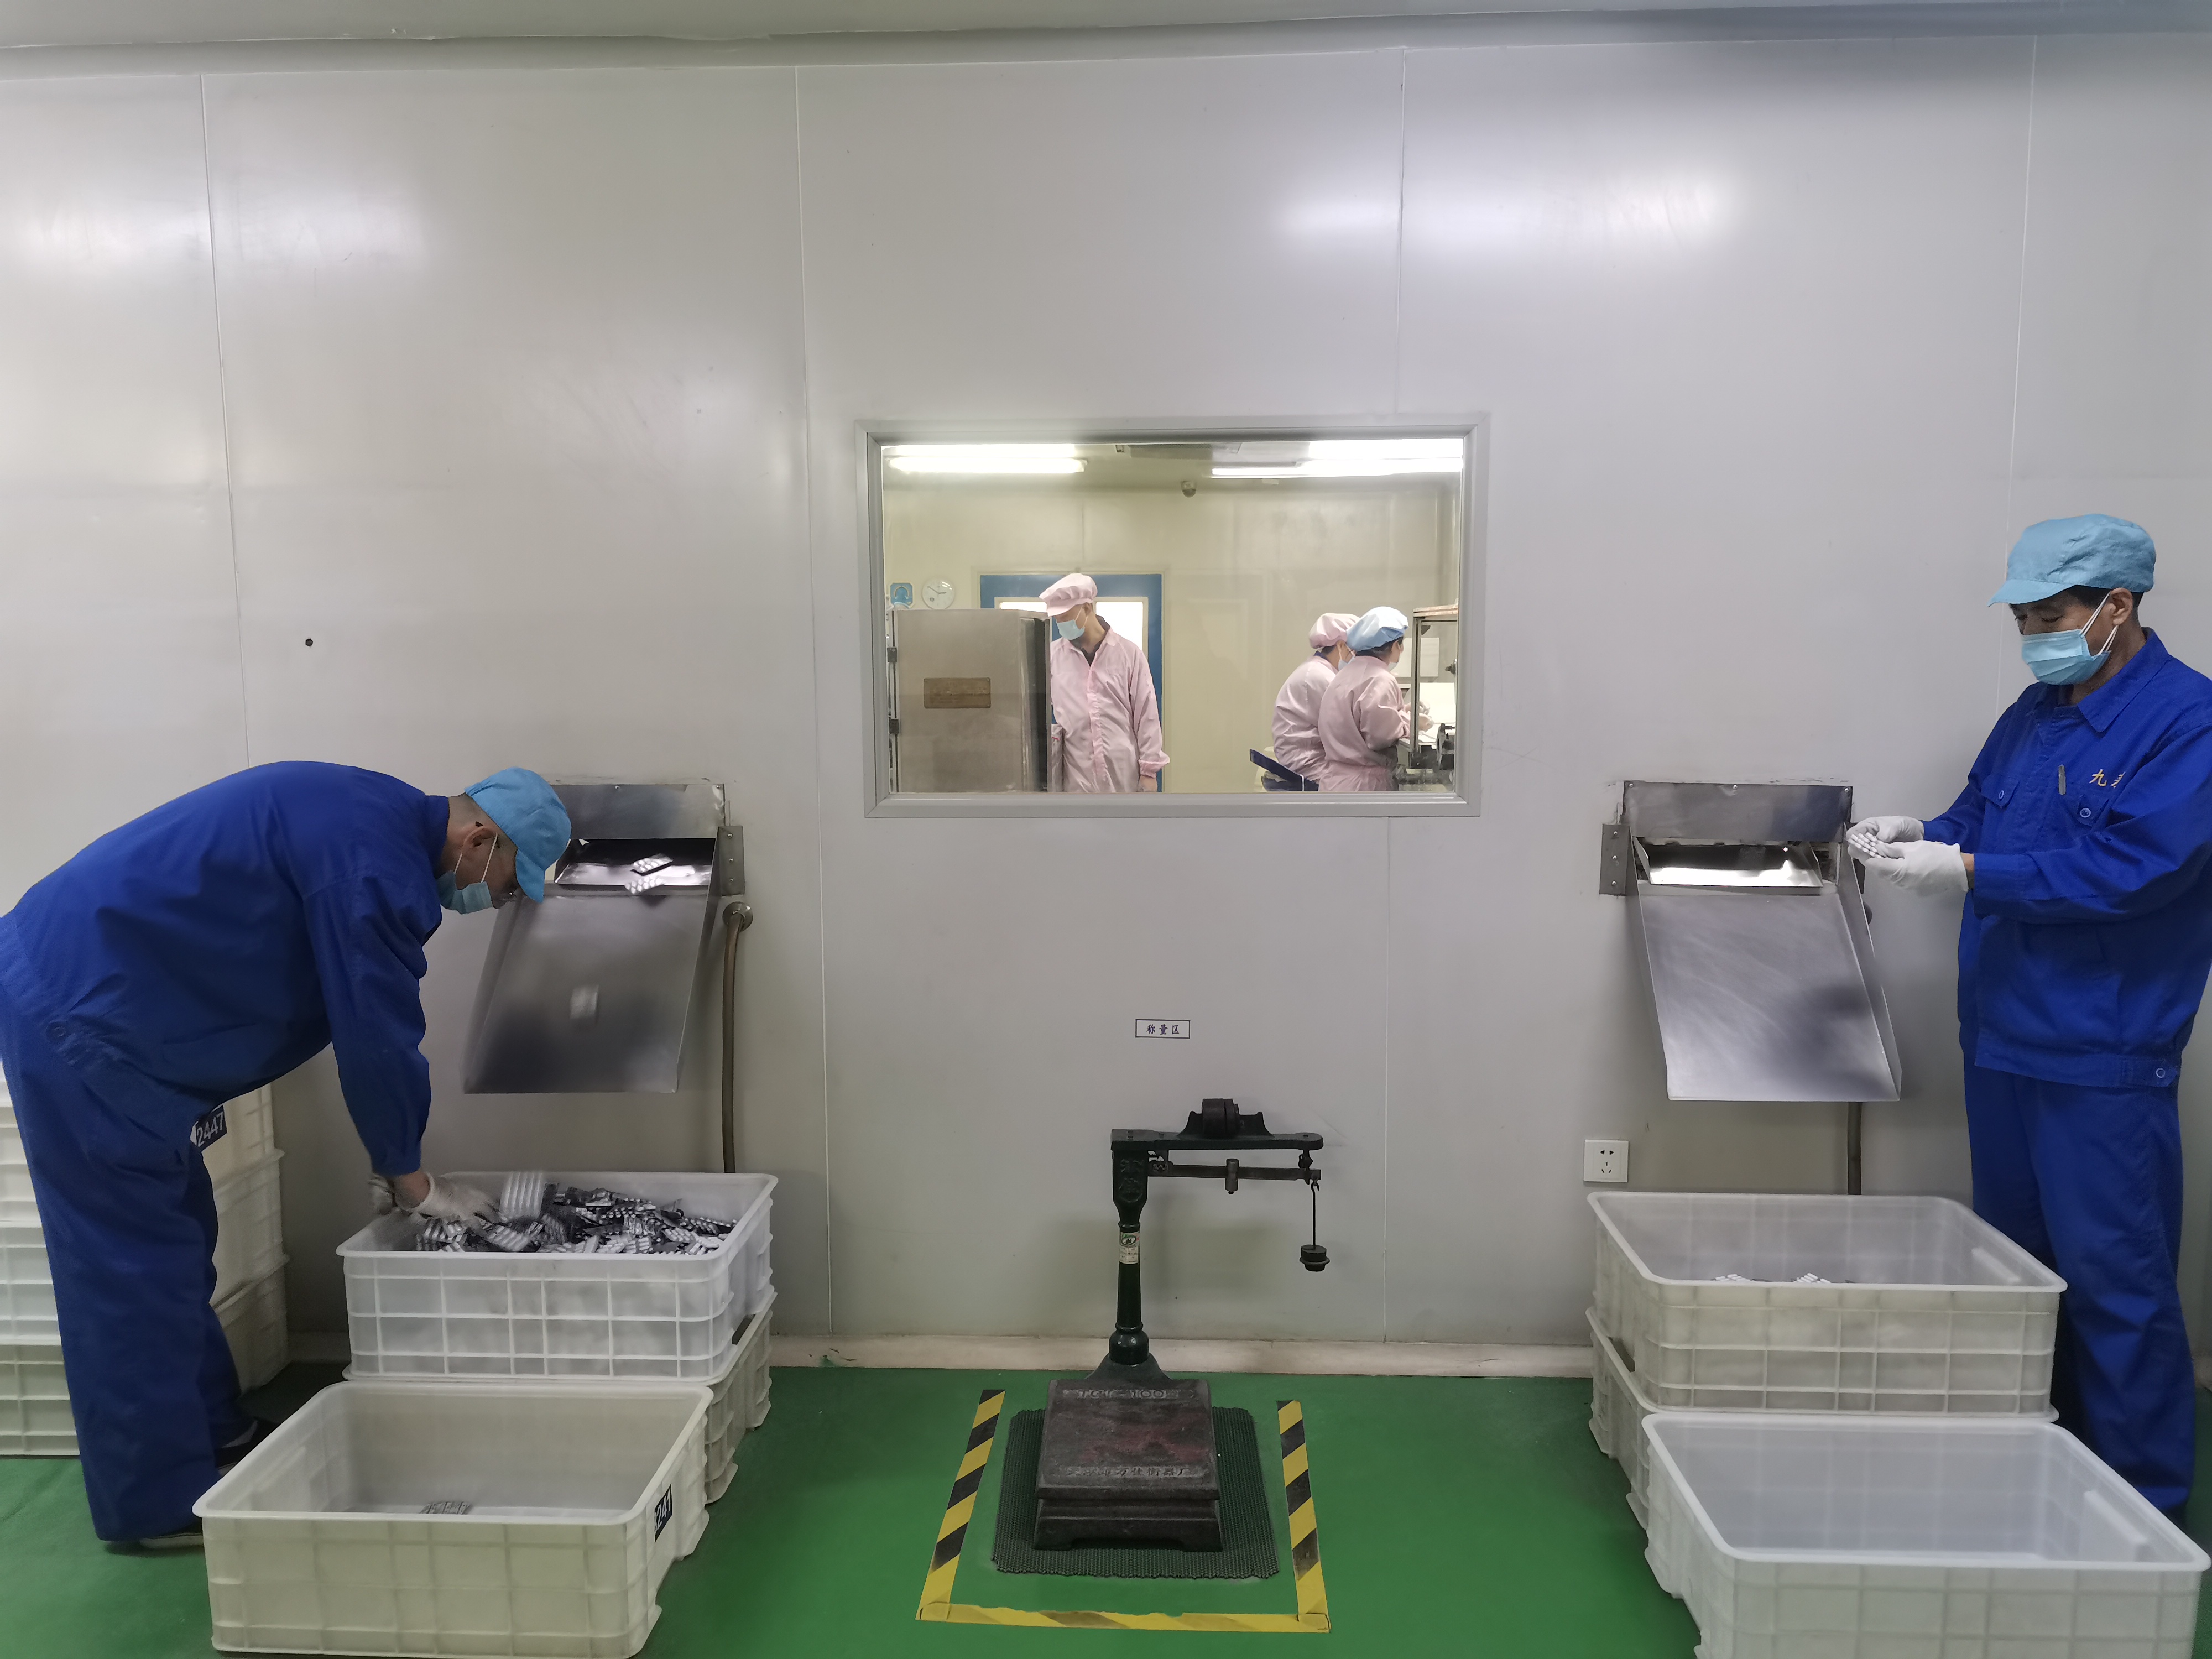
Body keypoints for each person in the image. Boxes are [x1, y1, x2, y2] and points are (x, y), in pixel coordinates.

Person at [0, 761, 572, 1549]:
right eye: (506, 885)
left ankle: (214, 1433)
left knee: (176, 1240)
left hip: (110, 1004)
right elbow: (377, 1037)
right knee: (129, 1268)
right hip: (84, 1014)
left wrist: (397, 1159)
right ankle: (157, 1503)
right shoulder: (373, 868)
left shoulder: (371, 817)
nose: (496, 901)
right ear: (479, 840)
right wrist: (412, 1179)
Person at [1851, 514, 2212, 1520]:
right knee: (2021, 1275)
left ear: (2117, 608)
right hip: (2004, 1038)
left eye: (2049, 618)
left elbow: (2135, 869)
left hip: (2102, 1051)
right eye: (2021, 620)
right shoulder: (2037, 709)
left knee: (2117, 1285)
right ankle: (2037, 1474)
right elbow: (1982, 812)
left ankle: (2140, 1510)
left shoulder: (2189, 722)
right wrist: (1926, 832)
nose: (2033, 637)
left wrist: (1969, 872)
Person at [1042, 572, 1167, 793]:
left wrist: (1149, 771)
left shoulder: (1128, 654)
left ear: (1087, 608)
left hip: (1123, 772)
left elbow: (1146, 713)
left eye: (1066, 617)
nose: (1061, 624)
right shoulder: (1052, 657)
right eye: (1057, 619)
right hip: (1076, 775)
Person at [1317, 607, 1413, 791]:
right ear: (1395, 645)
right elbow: (1380, 737)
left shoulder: (1343, 675)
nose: (1401, 650)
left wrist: (1400, 712)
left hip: (1334, 783)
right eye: (1401, 644)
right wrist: (1411, 723)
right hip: (1364, 786)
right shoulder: (1380, 679)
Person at [1269, 613, 1359, 787]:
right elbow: (1351, 726)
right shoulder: (1320, 676)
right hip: (1309, 764)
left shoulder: (1321, 671)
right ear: (1341, 645)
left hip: (1309, 757)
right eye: (1357, 650)